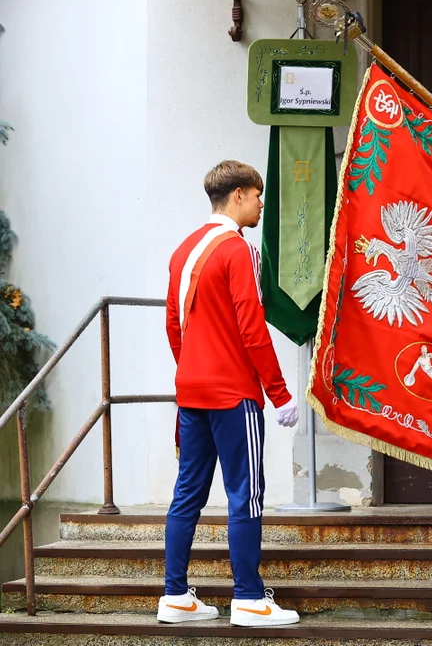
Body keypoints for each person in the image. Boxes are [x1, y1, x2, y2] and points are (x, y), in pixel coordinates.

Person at [159, 160, 300, 627]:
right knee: (247, 495)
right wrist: (280, 394)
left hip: (191, 391)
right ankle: (249, 598)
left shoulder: (182, 250)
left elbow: (173, 326)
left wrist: (192, 372)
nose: (262, 203)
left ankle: (175, 596)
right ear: (238, 195)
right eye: (258, 195)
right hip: (233, 394)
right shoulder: (238, 250)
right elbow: (252, 328)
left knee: (187, 495)